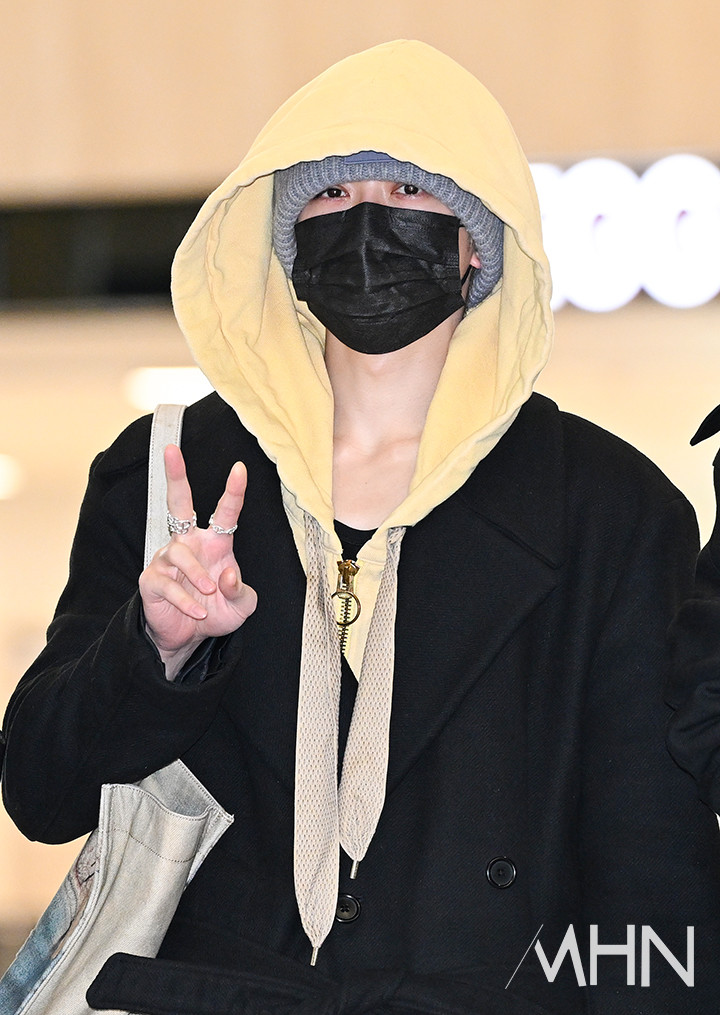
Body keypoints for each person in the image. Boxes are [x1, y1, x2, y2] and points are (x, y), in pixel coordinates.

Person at [3, 39, 720, 1014]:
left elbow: (653, 881)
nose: (370, 224)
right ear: (286, 239)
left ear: (478, 244)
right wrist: (154, 650)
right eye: (332, 195)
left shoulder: (609, 512)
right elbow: (39, 791)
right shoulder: (174, 473)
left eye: (410, 192)